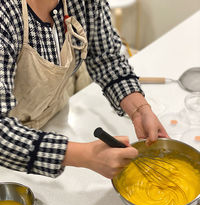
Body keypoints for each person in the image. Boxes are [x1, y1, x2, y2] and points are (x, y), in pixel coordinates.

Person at [0, 0, 169, 179]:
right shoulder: (6, 14)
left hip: (55, 118)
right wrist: (85, 155)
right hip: (11, 147)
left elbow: (105, 58)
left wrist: (139, 109)